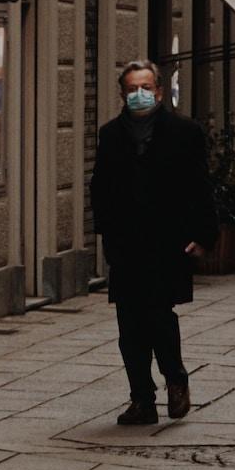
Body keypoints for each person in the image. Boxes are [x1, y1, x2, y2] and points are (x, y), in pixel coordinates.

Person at [91, 60, 219, 426]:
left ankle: (175, 378)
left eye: (145, 87)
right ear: (122, 93)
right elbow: (100, 188)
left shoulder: (184, 132)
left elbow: (200, 187)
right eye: (132, 89)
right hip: (127, 245)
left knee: (159, 317)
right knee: (129, 327)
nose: (139, 94)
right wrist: (107, 235)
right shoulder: (110, 135)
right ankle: (141, 400)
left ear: (159, 91)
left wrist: (204, 236)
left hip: (168, 242)